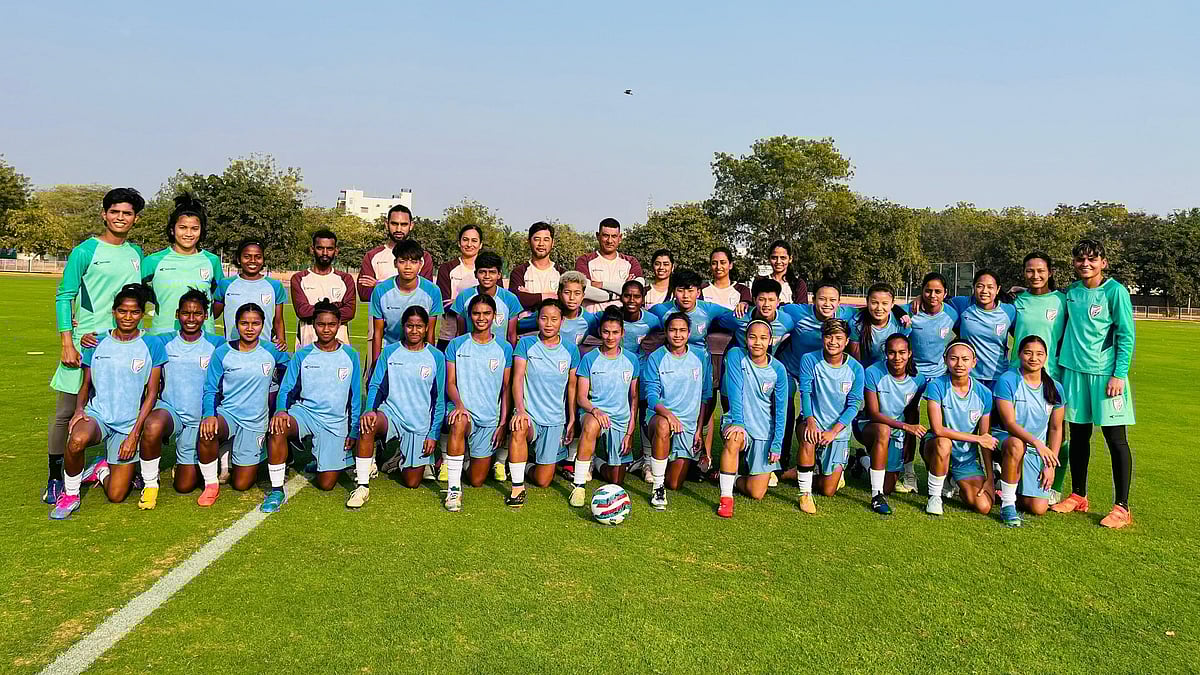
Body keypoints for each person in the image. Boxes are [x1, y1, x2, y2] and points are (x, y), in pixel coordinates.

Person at [45, 187, 146, 505]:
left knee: (125, 407)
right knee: (66, 412)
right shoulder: (85, 251)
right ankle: (55, 478)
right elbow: (64, 296)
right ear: (104, 214)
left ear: (135, 219)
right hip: (85, 342)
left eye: (127, 213)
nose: (121, 217)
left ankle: (118, 465)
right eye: (115, 211)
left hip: (123, 344)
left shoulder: (136, 254)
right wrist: (67, 342)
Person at [50, 284, 166, 520]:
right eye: (122, 311)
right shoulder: (96, 341)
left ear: (142, 315)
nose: (128, 317)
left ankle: (101, 469)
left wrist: (134, 435)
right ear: (114, 312)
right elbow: (85, 385)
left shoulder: (152, 345)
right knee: (76, 440)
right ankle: (70, 494)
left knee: (116, 494)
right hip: (99, 416)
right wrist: (79, 410)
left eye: (134, 312)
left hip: (128, 424)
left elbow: (152, 393)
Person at [1051, 239, 1136, 529]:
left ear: (1103, 263)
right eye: (1080, 259)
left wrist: (1119, 374)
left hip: (1105, 376)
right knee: (1078, 436)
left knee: (1116, 440)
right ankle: (1078, 495)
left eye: (1092, 259)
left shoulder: (1115, 291)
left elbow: (1126, 334)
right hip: (1074, 373)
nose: (1085, 264)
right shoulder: (1072, 292)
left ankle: (1122, 507)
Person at [137, 290, 226, 508]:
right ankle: (150, 485)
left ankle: (188, 463)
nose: (191, 318)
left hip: (199, 418)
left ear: (206, 315)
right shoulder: (163, 341)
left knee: (184, 486)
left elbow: (245, 349)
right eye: (186, 313)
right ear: (177, 314)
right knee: (153, 425)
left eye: (197, 313)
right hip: (171, 411)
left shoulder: (217, 343)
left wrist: (276, 346)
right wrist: (96, 337)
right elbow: (130, 337)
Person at [196, 303, 290, 507]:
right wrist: (209, 415)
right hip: (228, 415)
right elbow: (210, 389)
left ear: (263, 325)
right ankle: (211, 485)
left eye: (255, 323)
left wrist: (281, 407)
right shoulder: (223, 352)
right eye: (244, 323)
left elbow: (290, 377)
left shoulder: (272, 350)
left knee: (242, 484)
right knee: (207, 431)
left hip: (254, 421)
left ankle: (246, 451)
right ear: (236, 324)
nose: (249, 328)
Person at [271, 301, 361, 509]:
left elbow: (355, 396)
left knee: (326, 484)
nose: (326, 329)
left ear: (339, 324)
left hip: (334, 421)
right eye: (321, 324)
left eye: (331, 324)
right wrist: (281, 411)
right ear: (313, 325)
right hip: (305, 414)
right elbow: (286, 389)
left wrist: (353, 430)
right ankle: (276, 490)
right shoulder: (302, 355)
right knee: (278, 427)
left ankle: (324, 458)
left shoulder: (350, 355)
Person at [353, 306, 445, 506]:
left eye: (419, 326)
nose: (414, 330)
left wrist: (433, 434)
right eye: (410, 326)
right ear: (403, 327)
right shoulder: (390, 352)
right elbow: (376, 385)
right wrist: (369, 410)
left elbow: (439, 400)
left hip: (418, 422)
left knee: (412, 482)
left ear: (426, 328)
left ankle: (401, 457)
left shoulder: (436, 356)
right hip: (391, 414)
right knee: (368, 423)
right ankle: (362, 485)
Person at [771, 280, 857, 481]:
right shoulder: (796, 311)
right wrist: (745, 304)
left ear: (839, 302)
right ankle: (779, 459)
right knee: (785, 406)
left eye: (832, 300)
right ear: (813, 299)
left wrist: (900, 312)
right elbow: (772, 308)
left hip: (820, 374)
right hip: (791, 369)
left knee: (829, 407)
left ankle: (824, 460)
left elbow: (870, 311)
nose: (827, 304)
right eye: (822, 299)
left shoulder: (845, 314)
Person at [507, 299, 581, 506]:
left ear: (562, 321)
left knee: (543, 480)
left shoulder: (570, 350)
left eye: (554, 319)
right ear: (537, 320)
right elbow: (517, 379)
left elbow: (572, 387)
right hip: (529, 415)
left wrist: (572, 419)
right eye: (544, 318)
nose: (548, 324)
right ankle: (517, 487)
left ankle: (524, 465)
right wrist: (520, 410)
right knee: (519, 427)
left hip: (554, 419)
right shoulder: (526, 344)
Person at [442, 294, 514, 509]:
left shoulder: (504, 348)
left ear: (494, 315)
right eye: (476, 313)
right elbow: (450, 383)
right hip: (463, 412)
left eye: (486, 313)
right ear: (469, 315)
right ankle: (454, 490)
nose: (481, 318)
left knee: (477, 480)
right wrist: (459, 405)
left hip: (489, 418)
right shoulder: (456, 345)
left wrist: (502, 424)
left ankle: (464, 458)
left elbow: (506, 388)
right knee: (459, 421)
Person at [1009, 251, 1069, 502]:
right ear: (1024, 273)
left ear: (1050, 272)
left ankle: (1054, 485)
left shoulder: (1062, 301)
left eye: (1041, 271)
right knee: (1013, 429)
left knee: (1057, 431)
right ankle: (1009, 482)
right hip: (1016, 374)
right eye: (1030, 271)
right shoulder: (1016, 302)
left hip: (1051, 375)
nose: (1035, 275)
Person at [715, 321, 788, 518]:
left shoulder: (778, 369)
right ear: (746, 339)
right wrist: (738, 422)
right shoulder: (736, 355)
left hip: (764, 428)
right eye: (752, 337)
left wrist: (777, 443)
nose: (757, 342)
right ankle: (726, 498)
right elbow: (735, 391)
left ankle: (732, 477)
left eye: (763, 338)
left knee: (756, 493)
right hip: (737, 421)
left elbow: (781, 410)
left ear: (770, 341)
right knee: (734, 438)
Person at [641, 312, 713, 510]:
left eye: (682, 330)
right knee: (663, 426)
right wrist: (668, 415)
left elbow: (705, 396)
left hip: (687, 425)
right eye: (673, 330)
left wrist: (698, 430)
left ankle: (662, 464)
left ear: (689, 333)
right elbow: (651, 397)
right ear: (666, 332)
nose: (678, 335)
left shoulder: (700, 357)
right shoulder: (656, 357)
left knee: (675, 483)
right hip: (660, 417)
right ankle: (657, 488)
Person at [851, 334, 928, 515]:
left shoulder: (919, 379)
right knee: (883, 430)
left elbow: (912, 413)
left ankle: (862, 460)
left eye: (902, 352)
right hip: (868, 425)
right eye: (892, 352)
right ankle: (876, 496)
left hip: (897, 431)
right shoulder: (872, 372)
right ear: (885, 353)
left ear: (909, 353)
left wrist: (908, 444)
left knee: (888, 486)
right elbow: (873, 413)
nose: (897, 357)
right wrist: (904, 427)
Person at [992, 336, 1065, 524]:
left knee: (1038, 508)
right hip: (1007, 440)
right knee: (1016, 444)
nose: (1033, 358)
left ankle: (1005, 484)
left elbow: (1056, 428)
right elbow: (1009, 423)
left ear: (1046, 357)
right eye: (1028, 353)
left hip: (1035, 450)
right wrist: (1037, 443)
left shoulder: (1055, 387)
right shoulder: (1008, 380)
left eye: (1039, 354)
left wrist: (1050, 465)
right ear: (1019, 354)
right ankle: (1008, 505)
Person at [795, 319, 865, 513]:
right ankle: (805, 493)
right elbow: (806, 393)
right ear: (822, 338)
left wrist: (833, 432)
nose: (833, 342)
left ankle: (803, 471)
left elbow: (854, 405)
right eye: (828, 336)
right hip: (812, 422)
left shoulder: (856, 369)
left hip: (837, 432)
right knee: (808, 437)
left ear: (847, 341)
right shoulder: (809, 359)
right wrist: (810, 421)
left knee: (828, 490)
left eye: (838, 338)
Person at [921, 341, 997, 517]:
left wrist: (990, 477)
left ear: (974, 362)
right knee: (944, 443)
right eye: (954, 358)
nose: (959, 364)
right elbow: (938, 429)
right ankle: (934, 497)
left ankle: (953, 479)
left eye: (965, 359)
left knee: (984, 506)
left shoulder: (984, 393)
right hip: (936, 446)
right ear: (945, 360)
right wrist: (978, 439)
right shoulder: (936, 386)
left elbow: (985, 438)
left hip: (965, 458)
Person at [358, 204, 434, 373]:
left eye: (404, 224)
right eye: (394, 223)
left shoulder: (424, 257)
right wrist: (386, 289)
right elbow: (363, 293)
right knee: (376, 375)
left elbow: (423, 289)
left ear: (411, 226)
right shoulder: (373, 256)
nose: (399, 229)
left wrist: (378, 283)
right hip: (380, 329)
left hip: (415, 329)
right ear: (387, 224)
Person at [573, 309, 640, 502]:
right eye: (606, 332)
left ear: (622, 333)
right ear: (600, 332)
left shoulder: (631, 360)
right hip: (593, 414)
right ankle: (578, 486)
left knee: (616, 480)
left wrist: (629, 433)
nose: (610, 337)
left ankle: (596, 461)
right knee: (591, 424)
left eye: (615, 332)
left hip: (620, 420)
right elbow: (581, 397)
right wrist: (595, 410)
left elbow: (633, 399)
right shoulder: (589, 358)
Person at [141, 193, 223, 335]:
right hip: (162, 337)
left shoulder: (212, 261)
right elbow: (139, 295)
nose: (188, 233)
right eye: (183, 227)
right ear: (172, 230)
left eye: (194, 228)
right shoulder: (153, 261)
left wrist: (205, 318)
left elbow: (219, 298)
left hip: (203, 339)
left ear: (201, 231)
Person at [369, 239, 443, 364]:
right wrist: (376, 364)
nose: (408, 267)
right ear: (395, 263)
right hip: (390, 355)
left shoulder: (433, 291)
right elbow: (378, 332)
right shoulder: (380, 291)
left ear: (420, 264)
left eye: (413, 262)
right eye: (402, 261)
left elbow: (430, 333)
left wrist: (430, 362)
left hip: (419, 356)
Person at [213, 238, 287, 351]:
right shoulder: (225, 284)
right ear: (239, 259)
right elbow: (212, 315)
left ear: (263, 260)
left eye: (258, 257)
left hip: (263, 351)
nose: (253, 261)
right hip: (232, 350)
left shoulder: (275, 286)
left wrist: (281, 339)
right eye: (247, 256)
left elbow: (278, 320)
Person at [947, 270, 1016, 389]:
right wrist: (920, 298)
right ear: (974, 287)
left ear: (998, 289)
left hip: (998, 376)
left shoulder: (1009, 310)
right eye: (980, 286)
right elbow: (936, 300)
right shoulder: (962, 304)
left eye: (990, 287)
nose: (984, 291)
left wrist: (1023, 289)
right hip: (968, 376)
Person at [290, 229, 355, 348]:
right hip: (307, 344)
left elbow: (349, 312)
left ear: (336, 251)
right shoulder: (299, 278)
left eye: (329, 249)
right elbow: (302, 311)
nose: (325, 253)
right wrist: (336, 306)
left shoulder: (346, 279)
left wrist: (315, 309)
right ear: (312, 249)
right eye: (320, 248)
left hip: (340, 346)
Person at [452, 251, 522, 344]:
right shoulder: (464, 297)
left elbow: (511, 335)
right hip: (470, 350)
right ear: (475, 274)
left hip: (499, 351)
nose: (487, 276)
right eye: (482, 272)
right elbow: (460, 333)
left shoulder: (510, 299)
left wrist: (510, 353)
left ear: (499, 275)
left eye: (492, 272)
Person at [516, 271, 601, 348]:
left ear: (583, 296)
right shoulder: (547, 314)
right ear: (559, 293)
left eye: (577, 293)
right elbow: (516, 326)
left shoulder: (589, 320)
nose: (572, 298)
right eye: (567, 292)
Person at [575, 218, 644, 311]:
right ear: (597, 236)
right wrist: (620, 291)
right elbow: (585, 291)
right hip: (592, 317)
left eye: (614, 236)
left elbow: (638, 289)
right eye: (606, 236)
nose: (610, 241)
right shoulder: (584, 260)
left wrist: (601, 284)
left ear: (620, 238)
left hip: (621, 317)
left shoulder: (631, 261)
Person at [436, 224, 483, 348]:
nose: (469, 244)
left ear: (480, 244)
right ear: (459, 243)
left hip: (480, 337)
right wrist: (478, 304)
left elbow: (494, 302)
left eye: (474, 240)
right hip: (449, 336)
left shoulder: (487, 270)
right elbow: (445, 304)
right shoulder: (447, 268)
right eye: (465, 240)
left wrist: (457, 302)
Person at [849, 283, 910, 368]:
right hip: (866, 370)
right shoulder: (856, 323)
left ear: (892, 304)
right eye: (874, 303)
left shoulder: (902, 322)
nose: (879, 308)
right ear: (867, 301)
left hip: (892, 369)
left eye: (885, 303)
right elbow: (856, 362)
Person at [509, 221, 565, 312]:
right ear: (529, 241)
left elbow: (566, 300)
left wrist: (531, 297)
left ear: (552, 243)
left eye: (546, 239)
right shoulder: (519, 272)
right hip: (527, 321)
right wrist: (550, 296)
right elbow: (517, 299)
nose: (541, 244)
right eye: (537, 239)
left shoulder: (562, 273)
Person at [759, 240, 808, 305]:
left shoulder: (798, 284)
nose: (778, 262)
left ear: (790, 259)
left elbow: (801, 309)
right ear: (769, 259)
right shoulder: (760, 281)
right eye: (774, 258)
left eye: (783, 258)